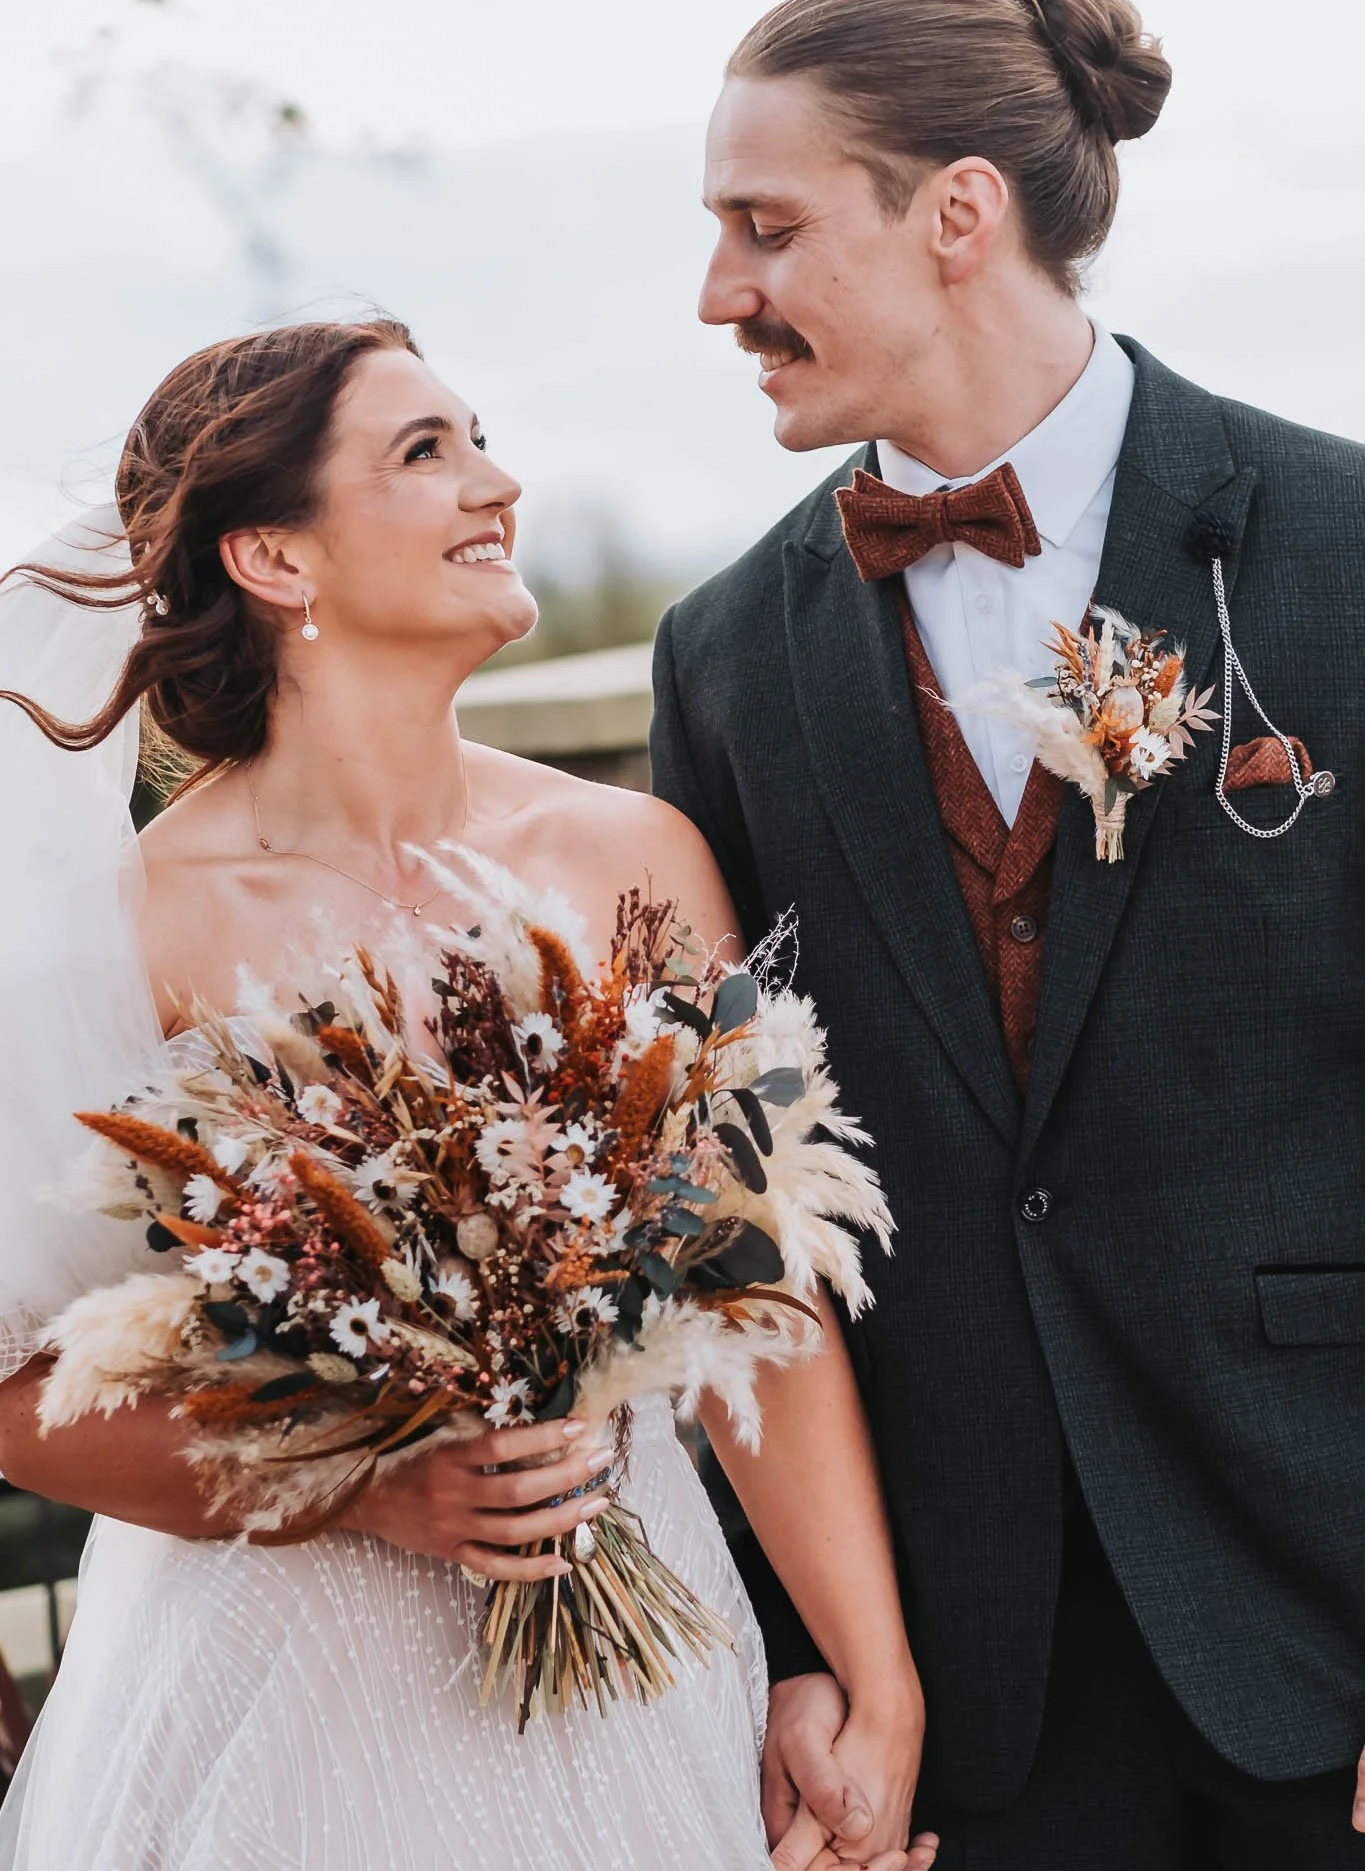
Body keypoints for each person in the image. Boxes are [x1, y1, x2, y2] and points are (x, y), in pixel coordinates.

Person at [0, 318, 936, 1871]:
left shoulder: (635, 858)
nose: (497, 483)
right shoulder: (136, 925)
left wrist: (875, 1688)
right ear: (274, 559)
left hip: (640, 1657)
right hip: (280, 1696)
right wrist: (361, 1492)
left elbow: (762, 1302)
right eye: (425, 453)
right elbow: (21, 1402)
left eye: (479, 437)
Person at [650, 0, 1365, 1869]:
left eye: (765, 228)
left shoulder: (1345, 548)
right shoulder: (725, 658)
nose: (722, 294)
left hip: (1329, 1596)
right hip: (969, 1682)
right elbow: (733, 1190)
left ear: (958, 214)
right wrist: (802, 1647)